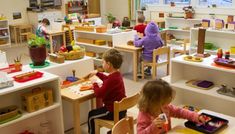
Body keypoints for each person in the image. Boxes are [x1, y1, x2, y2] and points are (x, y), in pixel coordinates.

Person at [137, 80, 206, 134]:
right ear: (154, 101)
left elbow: (179, 112)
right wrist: (153, 127)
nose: (168, 102)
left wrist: (195, 116)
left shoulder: (165, 107)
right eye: (165, 100)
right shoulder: (144, 114)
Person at [87, 49, 126, 134]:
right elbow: (107, 79)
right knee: (95, 113)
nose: (102, 64)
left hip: (112, 111)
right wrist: (97, 73)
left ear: (108, 65)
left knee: (91, 115)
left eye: (103, 62)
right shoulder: (117, 75)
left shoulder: (111, 79)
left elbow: (98, 94)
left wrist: (94, 83)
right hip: (122, 110)